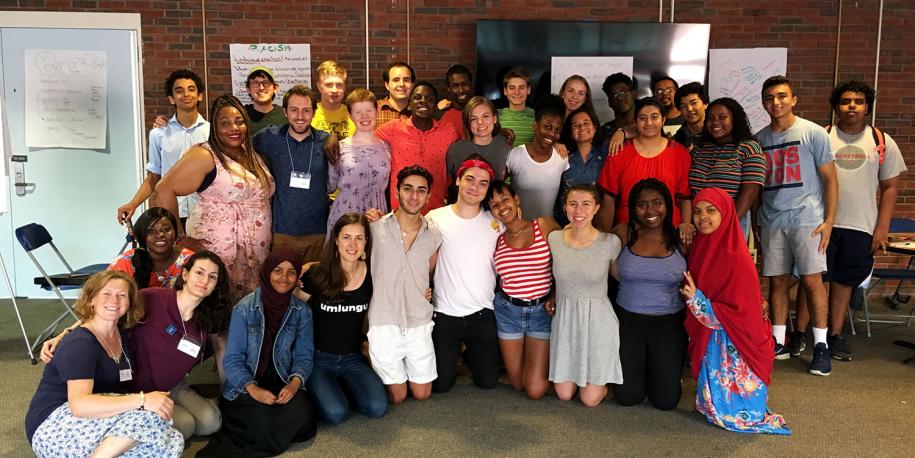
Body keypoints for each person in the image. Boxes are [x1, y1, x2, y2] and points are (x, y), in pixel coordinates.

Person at [43, 251, 231, 440]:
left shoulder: (208, 318)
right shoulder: (154, 298)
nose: (204, 280)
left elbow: (222, 352)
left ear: (216, 285)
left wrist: (227, 393)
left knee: (211, 423)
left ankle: (199, 402)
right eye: (199, 272)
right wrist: (66, 334)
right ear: (185, 274)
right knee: (185, 425)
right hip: (133, 388)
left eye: (212, 277)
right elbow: (110, 311)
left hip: (172, 386)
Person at [791, 80, 906, 362]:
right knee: (812, 279)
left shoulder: (881, 141)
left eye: (858, 101)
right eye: (845, 101)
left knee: (843, 282)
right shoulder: (821, 136)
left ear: (867, 107)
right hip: (819, 223)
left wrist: (882, 228)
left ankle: (835, 335)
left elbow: (890, 187)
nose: (851, 106)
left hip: (860, 225)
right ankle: (799, 333)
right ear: (835, 107)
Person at [25, 270, 184, 457]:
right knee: (150, 419)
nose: (114, 301)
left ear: (129, 303)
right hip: (54, 422)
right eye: (106, 294)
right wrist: (143, 400)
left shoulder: (121, 333)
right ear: (91, 299)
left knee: (171, 442)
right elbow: (79, 405)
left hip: (96, 416)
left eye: (122, 295)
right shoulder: (80, 344)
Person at [681, 187, 791, 435]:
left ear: (726, 214)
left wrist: (696, 299)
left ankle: (739, 412)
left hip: (735, 339)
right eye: (697, 211)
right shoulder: (701, 246)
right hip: (713, 337)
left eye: (711, 210)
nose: (702, 217)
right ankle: (713, 406)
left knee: (735, 383)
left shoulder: (735, 255)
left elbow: (738, 310)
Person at [157, 94, 275, 305]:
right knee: (217, 309)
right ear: (215, 127)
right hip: (219, 252)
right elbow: (164, 188)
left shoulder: (251, 154)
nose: (234, 127)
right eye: (225, 123)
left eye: (239, 121)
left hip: (254, 256)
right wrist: (180, 237)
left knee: (245, 312)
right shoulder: (205, 156)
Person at [755, 75, 838, 376]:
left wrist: (829, 221)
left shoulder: (813, 133)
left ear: (793, 99)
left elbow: (830, 180)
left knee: (813, 282)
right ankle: (778, 340)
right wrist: (755, 221)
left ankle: (820, 346)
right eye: (769, 98)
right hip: (771, 220)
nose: (775, 103)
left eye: (781, 96)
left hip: (807, 221)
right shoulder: (759, 139)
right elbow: (756, 186)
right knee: (776, 282)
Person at [202, 247, 316, 457]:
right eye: (278, 270)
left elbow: (304, 356)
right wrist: (253, 389)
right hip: (247, 385)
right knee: (262, 422)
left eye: (291, 272)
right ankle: (267, 431)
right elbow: (233, 360)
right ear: (267, 272)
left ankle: (267, 431)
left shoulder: (303, 312)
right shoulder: (244, 309)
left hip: (282, 380)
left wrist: (294, 384)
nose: (284, 277)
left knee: (304, 411)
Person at [298, 213, 388, 424]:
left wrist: (424, 293)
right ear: (336, 239)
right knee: (336, 414)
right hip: (319, 359)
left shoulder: (372, 274)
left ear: (366, 242)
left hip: (352, 357)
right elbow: (293, 310)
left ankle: (338, 389)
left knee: (378, 407)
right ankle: (325, 390)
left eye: (359, 238)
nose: (352, 244)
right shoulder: (317, 274)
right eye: (346, 237)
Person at [610, 178, 688, 410]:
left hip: (669, 326)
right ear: (633, 208)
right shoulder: (624, 232)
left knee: (666, 401)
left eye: (657, 203)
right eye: (642, 204)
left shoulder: (681, 237)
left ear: (668, 205)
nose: (651, 210)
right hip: (629, 323)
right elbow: (604, 265)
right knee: (627, 396)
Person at [367, 166, 442, 404]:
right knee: (397, 397)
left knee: (422, 394)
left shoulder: (434, 235)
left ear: (429, 196)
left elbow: (427, 272)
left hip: (417, 319)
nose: (414, 196)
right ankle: (365, 349)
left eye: (421, 191)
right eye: (408, 189)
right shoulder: (374, 228)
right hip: (384, 319)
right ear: (397, 190)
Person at [426, 157, 502, 393]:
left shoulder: (497, 223)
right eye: (470, 179)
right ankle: (453, 355)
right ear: (458, 180)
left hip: (482, 312)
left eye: (483, 183)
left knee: (488, 381)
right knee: (441, 385)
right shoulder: (435, 218)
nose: (475, 187)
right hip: (445, 313)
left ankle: (469, 354)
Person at [549, 183, 623, 406]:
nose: (578, 211)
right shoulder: (554, 239)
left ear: (597, 208)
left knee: (590, 400)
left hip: (598, 321)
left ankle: (603, 381)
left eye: (585, 204)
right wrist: (551, 296)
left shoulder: (610, 243)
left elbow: (620, 278)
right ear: (565, 208)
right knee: (563, 394)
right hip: (566, 319)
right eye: (573, 204)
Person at [488, 181, 560, 400]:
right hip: (508, 312)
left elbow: (567, 259)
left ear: (516, 199)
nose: (501, 207)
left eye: (505, 200)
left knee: (535, 390)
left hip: (541, 312)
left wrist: (555, 293)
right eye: (494, 205)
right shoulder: (497, 239)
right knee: (518, 384)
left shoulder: (543, 225)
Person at [117, 69, 208, 225]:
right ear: (172, 99)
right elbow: (153, 177)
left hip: (206, 212)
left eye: (191, 89)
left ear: (200, 95)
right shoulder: (158, 134)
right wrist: (132, 204)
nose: (186, 94)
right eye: (179, 91)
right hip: (170, 211)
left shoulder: (211, 132)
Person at [596, 97, 693, 242]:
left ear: (663, 120)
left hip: (668, 233)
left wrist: (686, 225)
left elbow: (685, 198)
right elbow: (609, 198)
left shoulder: (679, 153)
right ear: (635, 122)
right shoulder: (619, 151)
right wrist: (605, 238)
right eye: (643, 118)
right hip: (627, 234)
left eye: (654, 117)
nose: (649, 123)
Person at [253, 84, 330, 263]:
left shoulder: (326, 141)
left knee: (312, 287)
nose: (300, 117)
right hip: (281, 233)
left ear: (314, 112)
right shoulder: (269, 137)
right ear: (285, 112)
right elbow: (239, 148)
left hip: (317, 233)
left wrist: (334, 138)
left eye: (306, 110)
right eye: (294, 110)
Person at [376, 81, 460, 214]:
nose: (423, 101)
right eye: (417, 98)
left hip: (436, 211)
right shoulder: (393, 128)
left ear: (436, 106)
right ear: (409, 104)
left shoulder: (449, 131)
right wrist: (332, 139)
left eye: (430, 99)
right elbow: (365, 137)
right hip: (401, 211)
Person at [689, 97, 767, 238]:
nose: (715, 122)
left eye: (722, 117)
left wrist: (728, 226)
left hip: (731, 223)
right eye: (710, 118)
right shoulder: (699, 149)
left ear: (734, 120)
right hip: (699, 222)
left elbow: (749, 194)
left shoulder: (748, 148)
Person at [328, 89, 392, 235]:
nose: (365, 116)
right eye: (358, 112)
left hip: (378, 214)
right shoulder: (338, 148)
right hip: (347, 214)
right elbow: (330, 186)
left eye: (369, 110)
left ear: (377, 111)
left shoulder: (386, 147)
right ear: (350, 115)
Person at [506, 95, 570, 219]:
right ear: (535, 125)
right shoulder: (516, 155)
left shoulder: (562, 158)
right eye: (547, 127)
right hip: (519, 230)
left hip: (547, 231)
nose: (552, 134)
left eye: (557, 130)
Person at [109, 207, 195, 289]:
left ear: (175, 232)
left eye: (165, 229)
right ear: (143, 236)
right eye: (151, 231)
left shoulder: (190, 260)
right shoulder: (125, 262)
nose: (160, 235)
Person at [445, 96, 510, 201]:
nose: (480, 122)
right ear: (467, 123)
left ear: (495, 118)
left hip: (494, 208)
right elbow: (446, 184)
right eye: (473, 119)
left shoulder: (505, 144)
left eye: (485, 116)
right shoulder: (455, 150)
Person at [555, 108, 607, 224]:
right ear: (570, 132)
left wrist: (620, 132)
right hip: (568, 221)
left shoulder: (606, 151)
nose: (582, 127)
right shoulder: (563, 155)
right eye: (576, 125)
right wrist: (554, 145)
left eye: (586, 123)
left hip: (600, 220)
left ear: (595, 127)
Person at [312, 60, 356, 140]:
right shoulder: (309, 114)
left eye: (339, 85)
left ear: (345, 87)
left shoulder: (354, 114)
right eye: (329, 85)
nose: (334, 90)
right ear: (319, 87)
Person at [244, 66, 287, 134]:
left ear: (275, 88)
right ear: (248, 89)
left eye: (266, 82)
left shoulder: (286, 115)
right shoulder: (241, 115)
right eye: (255, 83)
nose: (261, 87)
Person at [498, 67, 536, 146]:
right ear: (505, 91)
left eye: (521, 87)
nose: (517, 92)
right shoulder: (495, 115)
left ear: (528, 90)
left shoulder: (537, 116)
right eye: (512, 88)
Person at [600, 72, 638, 142]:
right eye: (614, 95)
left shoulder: (647, 126)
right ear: (609, 102)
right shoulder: (603, 133)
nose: (620, 98)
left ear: (634, 94)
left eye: (623, 93)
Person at [438, 64, 474, 137]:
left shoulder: (482, 111)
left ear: (471, 84)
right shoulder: (440, 114)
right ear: (448, 88)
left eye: (464, 84)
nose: (461, 90)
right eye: (455, 86)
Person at [377, 61, 415, 127]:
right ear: (387, 85)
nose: (401, 84)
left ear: (412, 85)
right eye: (396, 80)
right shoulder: (373, 109)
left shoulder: (419, 111)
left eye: (406, 80)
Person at [672, 82, 709, 151]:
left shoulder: (716, 132)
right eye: (683, 106)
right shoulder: (678, 138)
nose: (689, 109)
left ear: (705, 104)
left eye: (694, 103)